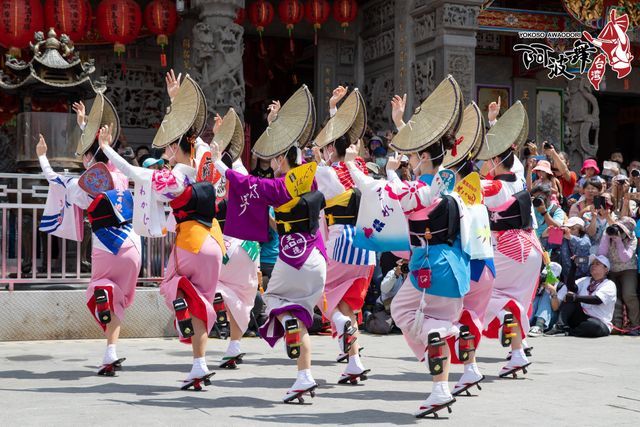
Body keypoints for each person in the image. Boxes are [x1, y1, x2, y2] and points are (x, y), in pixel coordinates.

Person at [348, 76, 471, 418]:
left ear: (422, 158)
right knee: (434, 319)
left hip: (428, 265)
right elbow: (431, 165)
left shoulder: (416, 192)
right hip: (456, 264)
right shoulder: (454, 186)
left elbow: (395, 192)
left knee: (405, 313)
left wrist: (389, 163)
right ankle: (442, 378)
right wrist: (402, 124)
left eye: (415, 155)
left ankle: (440, 347)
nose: (410, 160)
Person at [101, 71, 223, 390]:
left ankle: (181, 299)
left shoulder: (172, 179)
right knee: (204, 305)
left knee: (170, 283)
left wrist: (106, 148)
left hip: (189, 242)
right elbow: (196, 140)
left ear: (173, 147)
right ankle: (199, 365)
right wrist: (175, 103)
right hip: (214, 242)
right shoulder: (206, 169)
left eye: (169, 145)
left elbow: (135, 173)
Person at [213, 86, 327, 403]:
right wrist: (277, 126)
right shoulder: (311, 177)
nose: (271, 161)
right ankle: (304, 377)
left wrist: (217, 158)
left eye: (275, 157)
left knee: (276, 301)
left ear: (280, 159)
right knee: (302, 314)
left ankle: (290, 330)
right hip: (318, 258)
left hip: (291, 261)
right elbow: (297, 156)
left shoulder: (275, 188)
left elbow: (242, 180)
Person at [37, 95, 141, 376]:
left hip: (105, 244)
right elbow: (98, 157)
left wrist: (42, 155)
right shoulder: (120, 174)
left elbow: (54, 179)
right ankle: (110, 352)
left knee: (99, 289)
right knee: (120, 302)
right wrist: (87, 128)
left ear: (86, 157)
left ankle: (104, 295)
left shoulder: (80, 186)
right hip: (133, 243)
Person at [313, 86, 375, 383]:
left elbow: (327, 158)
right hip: (367, 246)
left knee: (319, 291)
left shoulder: (326, 173)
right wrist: (334, 110)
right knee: (348, 303)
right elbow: (341, 145)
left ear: (328, 149)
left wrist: (334, 111)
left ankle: (337, 322)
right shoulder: (361, 167)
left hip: (342, 241)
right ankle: (354, 361)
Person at [477, 101, 543, 378]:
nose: (484, 163)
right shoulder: (516, 176)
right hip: (531, 247)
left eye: (486, 160)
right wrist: (493, 123)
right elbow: (504, 153)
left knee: (480, 295)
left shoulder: (494, 187)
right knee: (515, 299)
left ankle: (510, 337)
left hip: (508, 247)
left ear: (494, 162)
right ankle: (518, 350)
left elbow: (462, 186)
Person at [210, 109, 260, 368]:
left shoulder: (222, 176)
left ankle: (218, 297)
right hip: (250, 249)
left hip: (225, 243)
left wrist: (220, 138)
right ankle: (234, 346)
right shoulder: (251, 182)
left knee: (214, 283)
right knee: (245, 295)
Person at [546, 255, 616, 337]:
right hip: (581, 317)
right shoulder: (585, 280)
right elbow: (571, 287)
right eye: (592, 264)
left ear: (606, 269)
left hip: (599, 321)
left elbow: (597, 300)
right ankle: (560, 326)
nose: (593, 266)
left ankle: (569, 332)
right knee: (569, 296)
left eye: (597, 264)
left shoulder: (609, 284)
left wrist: (576, 298)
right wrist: (573, 267)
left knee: (595, 326)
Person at [597, 217, 639, 331]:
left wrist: (619, 241)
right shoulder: (608, 232)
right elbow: (601, 253)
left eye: (621, 229)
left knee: (629, 295)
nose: (618, 230)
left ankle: (635, 325)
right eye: (618, 227)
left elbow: (625, 258)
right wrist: (607, 237)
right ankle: (616, 325)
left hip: (628, 268)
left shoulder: (632, 238)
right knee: (615, 297)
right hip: (612, 269)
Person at [528, 262, 562, 337]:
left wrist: (553, 291)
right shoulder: (538, 283)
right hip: (533, 316)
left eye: (550, 277)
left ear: (557, 278)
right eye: (545, 276)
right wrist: (537, 288)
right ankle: (524, 323)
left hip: (549, 318)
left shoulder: (561, 287)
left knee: (546, 295)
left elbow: (555, 308)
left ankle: (539, 326)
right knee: (536, 297)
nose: (546, 278)